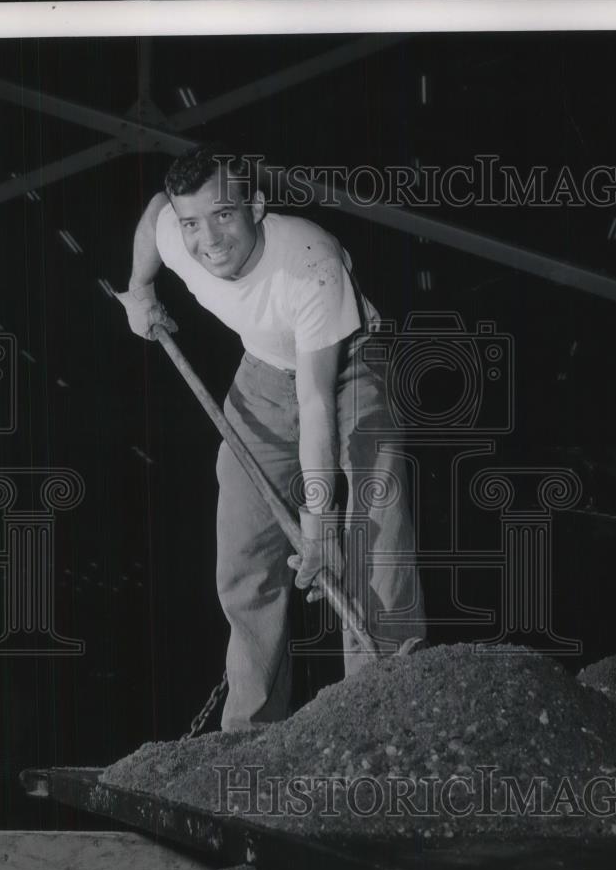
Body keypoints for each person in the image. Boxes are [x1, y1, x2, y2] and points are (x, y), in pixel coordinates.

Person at [117, 144, 425, 731]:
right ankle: (251, 733)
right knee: (243, 545)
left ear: (255, 206)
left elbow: (316, 401)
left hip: (349, 365)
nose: (209, 241)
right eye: (193, 223)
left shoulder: (309, 262)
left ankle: (382, 719)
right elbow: (158, 206)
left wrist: (317, 523)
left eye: (225, 216)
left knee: (372, 533)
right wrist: (140, 290)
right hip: (261, 373)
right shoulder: (177, 232)